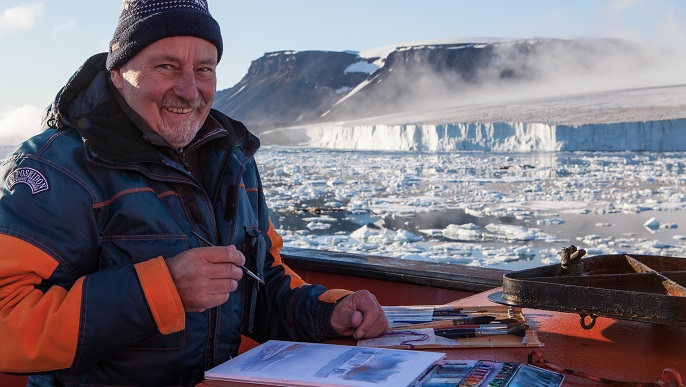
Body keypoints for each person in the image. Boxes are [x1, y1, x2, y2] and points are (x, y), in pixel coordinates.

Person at [0, 1, 388, 385]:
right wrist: (162, 289)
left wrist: (329, 312)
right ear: (118, 71)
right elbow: (7, 325)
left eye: (204, 69)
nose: (189, 90)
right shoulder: (57, 168)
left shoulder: (233, 159)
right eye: (166, 66)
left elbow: (258, 284)